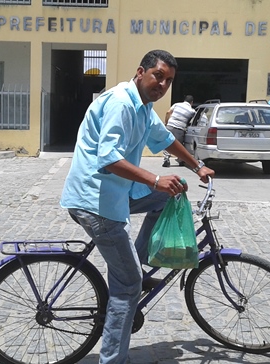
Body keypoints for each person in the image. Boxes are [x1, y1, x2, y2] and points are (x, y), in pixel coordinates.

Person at [60, 49, 215, 364]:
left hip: (116, 194)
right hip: (96, 203)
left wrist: (196, 165)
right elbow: (109, 158)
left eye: (168, 80)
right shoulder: (121, 104)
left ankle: (137, 267)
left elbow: (165, 138)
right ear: (141, 72)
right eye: (158, 76)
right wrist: (155, 179)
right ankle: (113, 359)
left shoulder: (143, 108)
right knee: (127, 286)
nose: (162, 84)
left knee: (169, 195)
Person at [162, 95, 195, 167]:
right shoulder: (192, 111)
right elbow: (192, 120)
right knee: (178, 145)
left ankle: (166, 158)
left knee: (167, 142)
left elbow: (168, 112)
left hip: (170, 125)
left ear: (184, 100)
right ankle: (180, 160)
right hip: (180, 128)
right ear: (191, 102)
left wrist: (166, 123)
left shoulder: (177, 104)